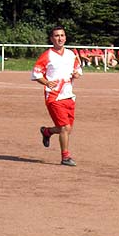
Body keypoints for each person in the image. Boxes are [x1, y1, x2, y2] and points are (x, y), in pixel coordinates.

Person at [32, 25, 83, 167]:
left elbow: (78, 69)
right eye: (56, 36)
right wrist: (47, 82)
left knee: (66, 129)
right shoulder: (47, 55)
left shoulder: (71, 54)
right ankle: (65, 157)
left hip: (68, 95)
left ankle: (47, 131)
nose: (60, 38)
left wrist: (76, 74)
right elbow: (36, 74)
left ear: (65, 38)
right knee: (65, 128)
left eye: (62, 35)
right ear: (51, 39)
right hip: (54, 97)